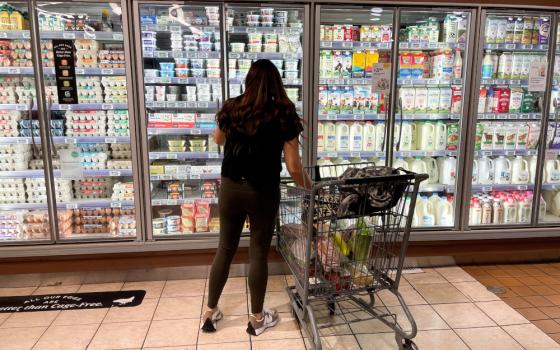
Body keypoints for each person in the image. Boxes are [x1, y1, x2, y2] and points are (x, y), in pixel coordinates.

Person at [201, 59, 310, 336]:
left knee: (225, 249)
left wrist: (237, 134)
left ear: (248, 81)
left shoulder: (232, 107)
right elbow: (294, 166)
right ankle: (258, 319)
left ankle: (210, 313)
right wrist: (309, 187)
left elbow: (218, 139)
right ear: (277, 83)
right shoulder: (283, 113)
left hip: (231, 187)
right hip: (263, 191)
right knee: (258, 252)